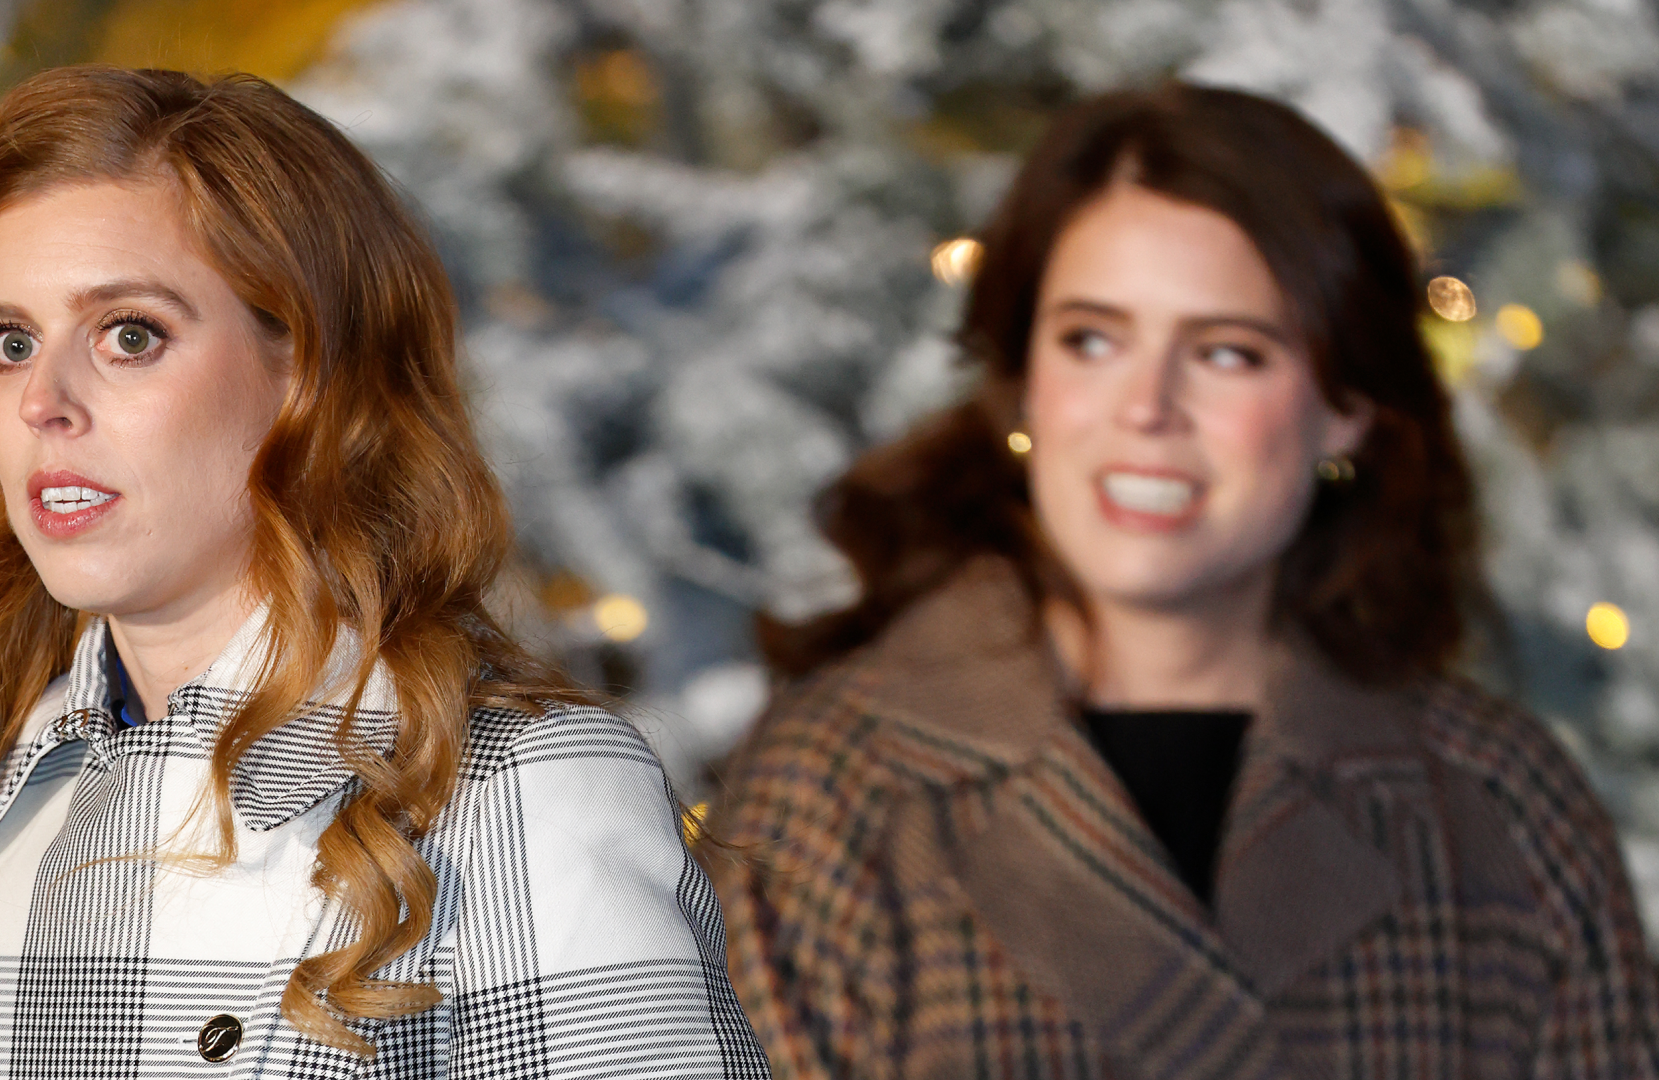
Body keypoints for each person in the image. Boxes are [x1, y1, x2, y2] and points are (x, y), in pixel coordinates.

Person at [0, 66, 769, 1080]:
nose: (41, 405)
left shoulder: (517, 793)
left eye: (129, 334)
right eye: (10, 341)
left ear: (311, 374)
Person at [705, 84, 1659, 1080]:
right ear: (1024, 380)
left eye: (1226, 352)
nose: (1147, 409)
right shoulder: (827, 794)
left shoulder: (1501, 803)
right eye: (1093, 340)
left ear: (1344, 409)